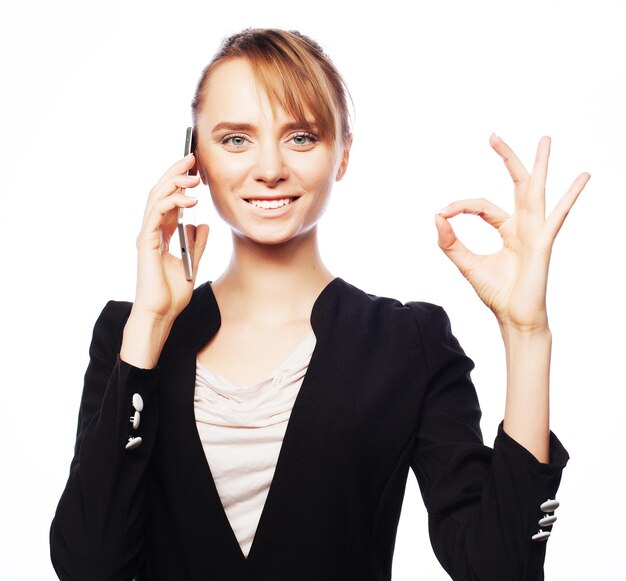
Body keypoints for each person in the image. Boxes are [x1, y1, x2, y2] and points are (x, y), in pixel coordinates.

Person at [49, 28, 590, 581]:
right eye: (236, 139)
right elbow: (89, 566)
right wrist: (151, 324)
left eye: (301, 137)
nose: (269, 168)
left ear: (343, 154)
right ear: (194, 159)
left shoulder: (407, 342)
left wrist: (527, 335)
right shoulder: (129, 332)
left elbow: (500, 569)